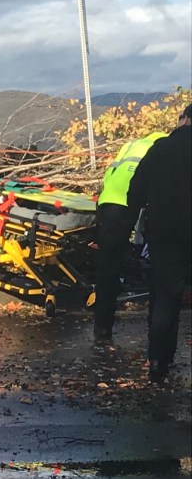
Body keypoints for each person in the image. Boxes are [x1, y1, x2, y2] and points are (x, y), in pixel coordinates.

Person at [127, 103, 191, 384]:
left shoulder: (161, 148)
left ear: (184, 119)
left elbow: (135, 192)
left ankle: (158, 360)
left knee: (166, 297)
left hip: (166, 233)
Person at [92, 128, 167, 341]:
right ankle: (157, 329)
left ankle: (102, 327)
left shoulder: (133, 143)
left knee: (108, 265)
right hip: (126, 201)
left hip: (108, 202)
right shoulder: (160, 146)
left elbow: (113, 173)